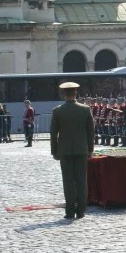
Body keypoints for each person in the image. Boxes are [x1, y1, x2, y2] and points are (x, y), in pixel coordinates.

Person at [49, 82, 95, 220]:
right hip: (82, 149)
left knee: (68, 181)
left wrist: (54, 151)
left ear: (64, 94)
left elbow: (53, 133)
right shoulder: (85, 109)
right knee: (81, 181)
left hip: (64, 150)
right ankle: (81, 211)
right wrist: (90, 149)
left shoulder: (58, 111)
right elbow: (91, 131)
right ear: (76, 93)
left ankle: (69, 211)